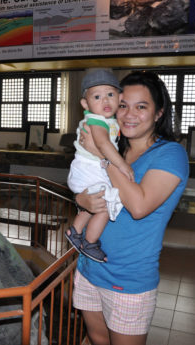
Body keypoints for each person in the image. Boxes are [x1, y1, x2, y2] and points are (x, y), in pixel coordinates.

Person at [72, 71, 189, 345]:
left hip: (128, 278)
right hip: (90, 268)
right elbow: (89, 192)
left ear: (159, 113)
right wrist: (81, 201)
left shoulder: (170, 154)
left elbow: (138, 205)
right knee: (96, 339)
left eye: (141, 107)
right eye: (123, 105)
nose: (129, 114)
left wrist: (102, 156)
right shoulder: (116, 148)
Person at [66, 69, 134, 263]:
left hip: (86, 169)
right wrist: (121, 164)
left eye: (110, 95)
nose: (105, 101)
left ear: (119, 97)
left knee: (92, 204)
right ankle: (89, 242)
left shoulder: (107, 120)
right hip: (89, 169)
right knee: (104, 207)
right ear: (85, 103)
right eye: (97, 96)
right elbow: (103, 144)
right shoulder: (96, 120)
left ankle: (75, 231)